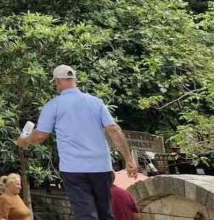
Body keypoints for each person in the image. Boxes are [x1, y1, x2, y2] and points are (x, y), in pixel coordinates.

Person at [16, 65, 139, 220]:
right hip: (101, 167)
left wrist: (25, 140)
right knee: (105, 213)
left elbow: (40, 135)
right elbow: (114, 129)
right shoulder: (96, 102)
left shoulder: (54, 105)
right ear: (75, 80)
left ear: (58, 81)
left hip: (74, 169)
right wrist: (128, 159)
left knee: (85, 214)